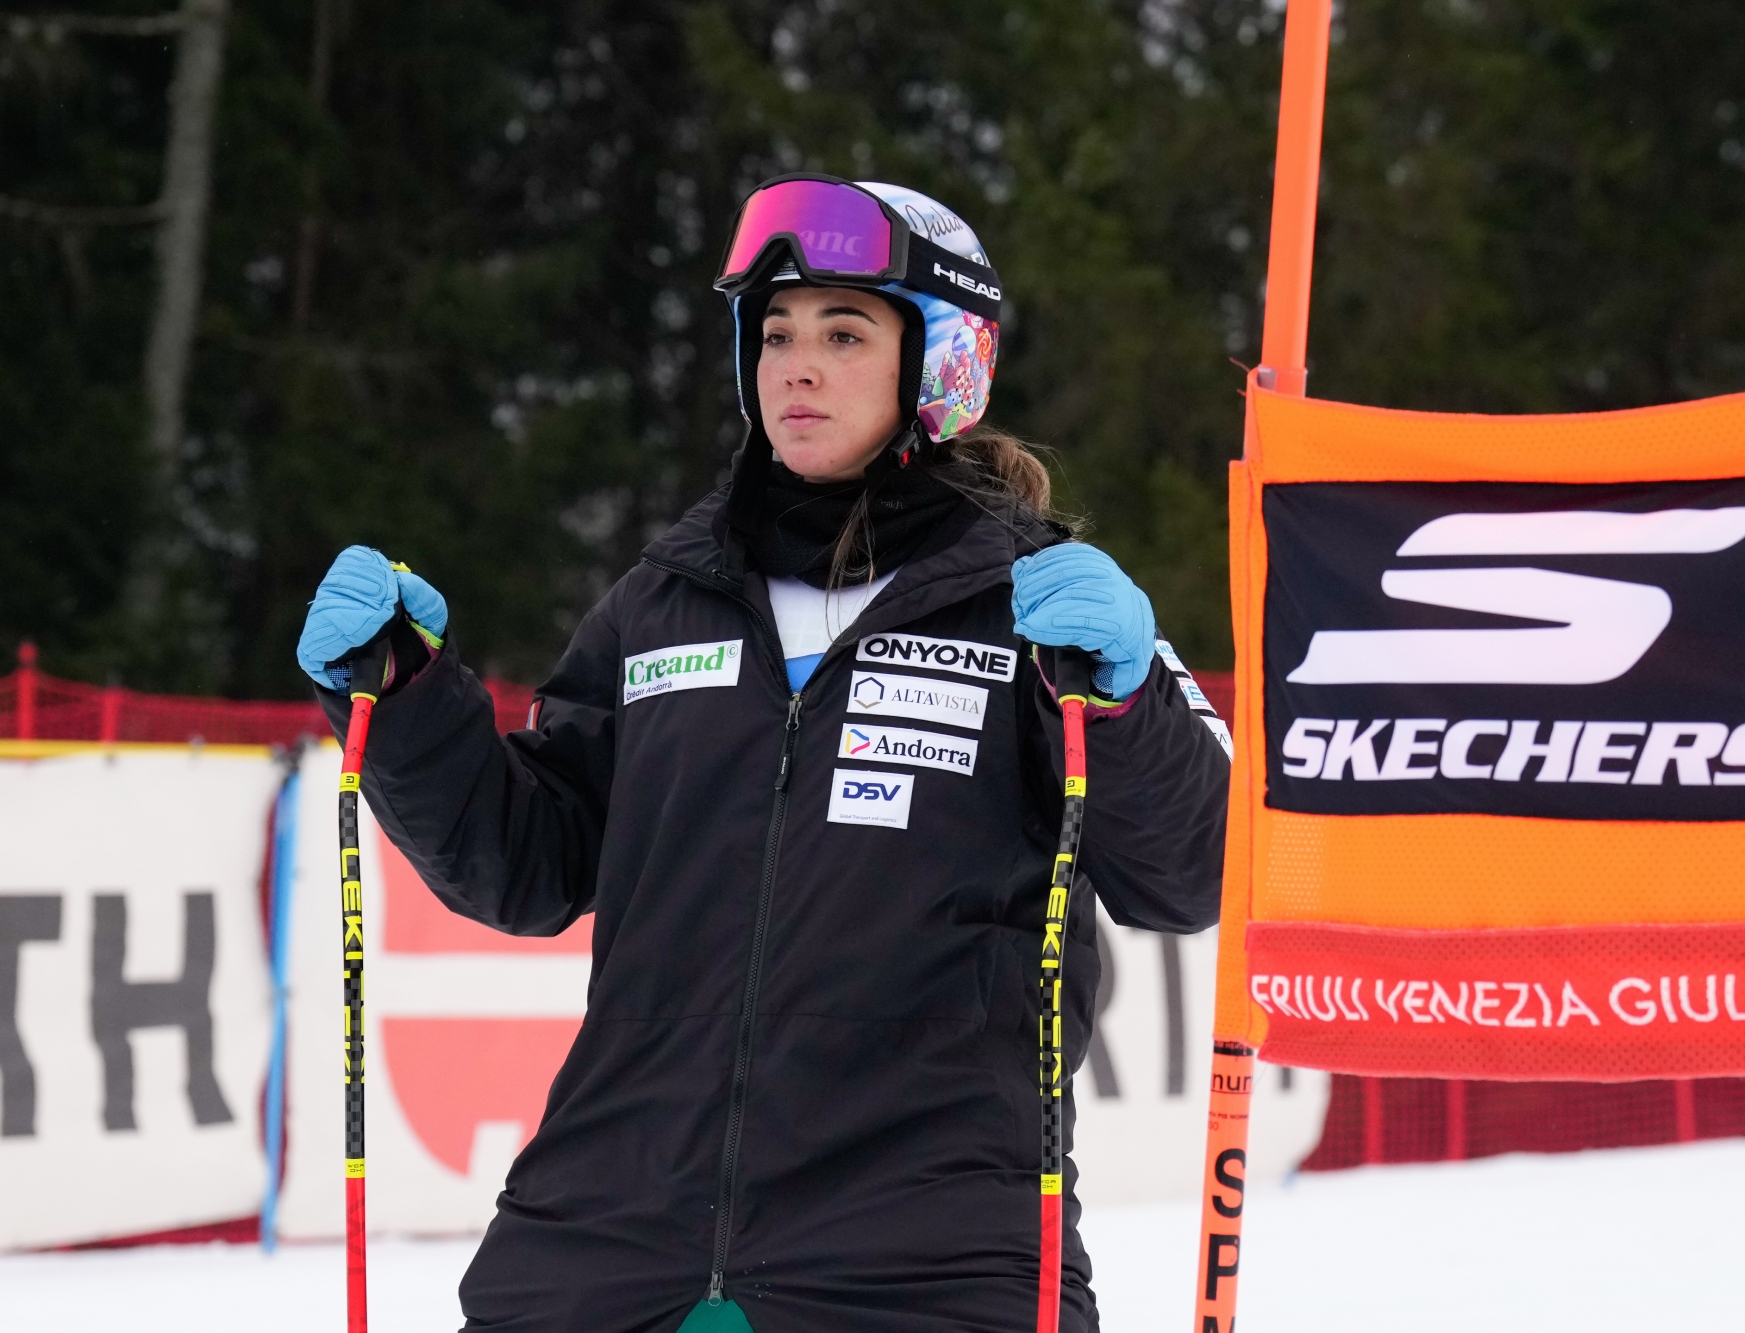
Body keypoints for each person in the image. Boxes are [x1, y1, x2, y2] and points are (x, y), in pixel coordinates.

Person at [296, 175, 1230, 1333]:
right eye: (774, 333)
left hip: (924, 1256)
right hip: (614, 1228)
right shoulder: (666, 599)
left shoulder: (1037, 610)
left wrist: (1131, 704)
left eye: (844, 333)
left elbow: (1190, 875)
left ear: (941, 360)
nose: (796, 366)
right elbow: (528, 864)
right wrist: (407, 700)